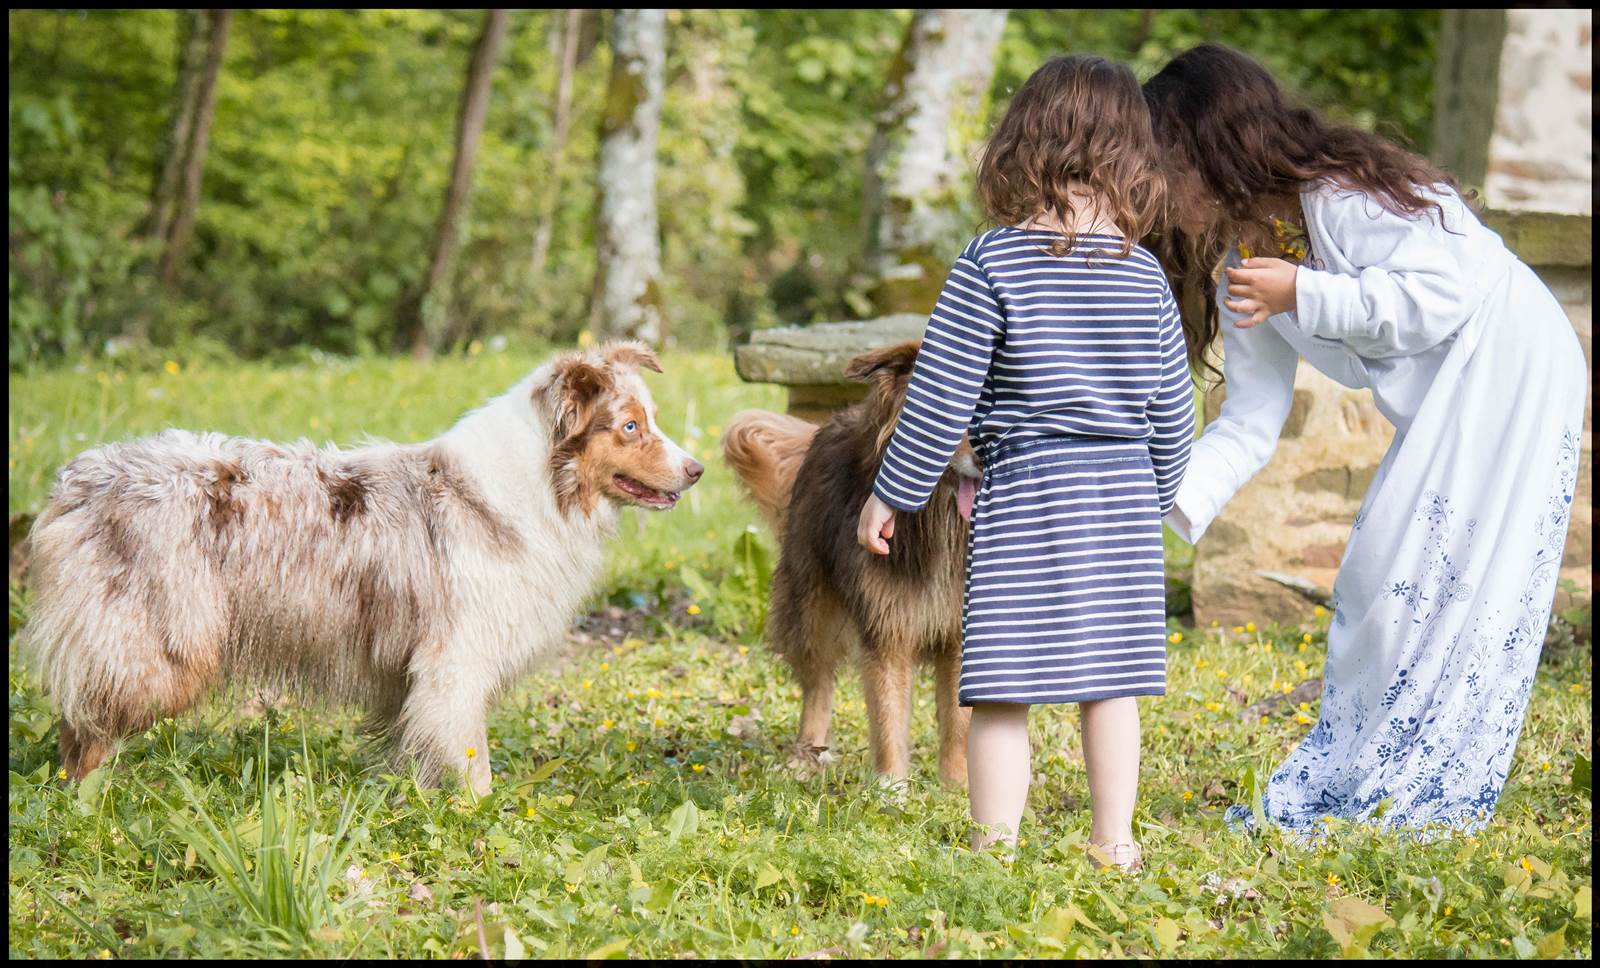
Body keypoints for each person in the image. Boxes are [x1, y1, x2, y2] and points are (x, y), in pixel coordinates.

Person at [1143, 43, 1586, 835]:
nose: (1155, 189)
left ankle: (1434, 779)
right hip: (1450, 387)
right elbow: (1248, 419)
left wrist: (1304, 290)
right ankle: (1364, 770)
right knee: (1378, 581)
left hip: (1508, 352)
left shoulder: (1343, 195)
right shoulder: (1241, 263)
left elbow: (1444, 293)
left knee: (1453, 577)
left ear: (1210, 148)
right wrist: (1156, 503)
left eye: (1163, 163)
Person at [856, 54, 1195, 870]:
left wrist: (891, 494)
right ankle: (1114, 843)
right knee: (1110, 685)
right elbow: (1175, 410)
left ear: (1023, 146)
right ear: (1131, 158)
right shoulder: (1145, 276)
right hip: (1117, 498)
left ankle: (993, 847)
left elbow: (939, 394)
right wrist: (1158, 491)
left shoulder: (992, 262)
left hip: (1028, 493)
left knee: (1004, 684)